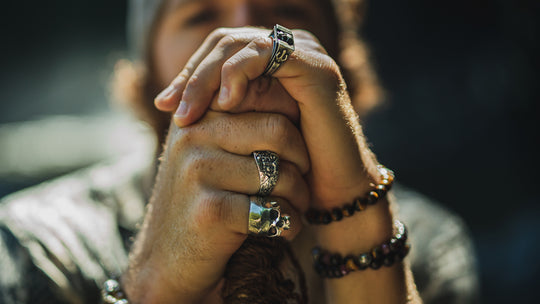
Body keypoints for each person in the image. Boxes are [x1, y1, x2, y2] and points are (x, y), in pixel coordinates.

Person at [0, 0, 479, 303]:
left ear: (341, 69)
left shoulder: (426, 246)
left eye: (287, 12)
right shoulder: (40, 243)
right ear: (148, 83)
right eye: (201, 15)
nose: (244, 44)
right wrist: (153, 287)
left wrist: (356, 218)